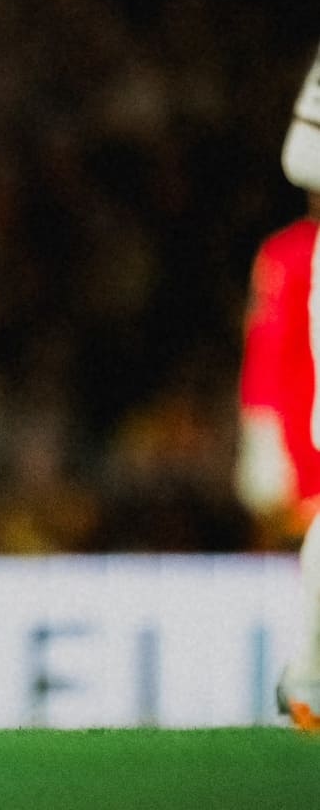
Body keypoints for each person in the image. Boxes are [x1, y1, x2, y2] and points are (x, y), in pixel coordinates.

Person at [235, 41, 320, 733]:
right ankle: (309, 680)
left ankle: (308, 678)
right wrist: (267, 451)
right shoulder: (292, 256)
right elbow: (268, 359)